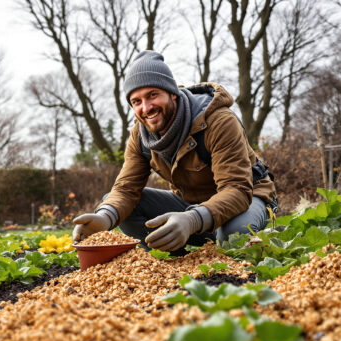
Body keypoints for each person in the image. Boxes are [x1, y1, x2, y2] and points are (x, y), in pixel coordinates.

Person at [72, 50, 277, 253]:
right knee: (119, 203)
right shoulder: (140, 135)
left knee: (233, 235)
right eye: (136, 101)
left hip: (248, 197)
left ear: (172, 94)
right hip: (191, 205)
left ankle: (250, 234)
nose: (146, 107)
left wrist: (193, 219)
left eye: (153, 95)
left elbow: (237, 190)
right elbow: (126, 189)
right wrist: (105, 217)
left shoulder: (219, 121)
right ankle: (178, 263)